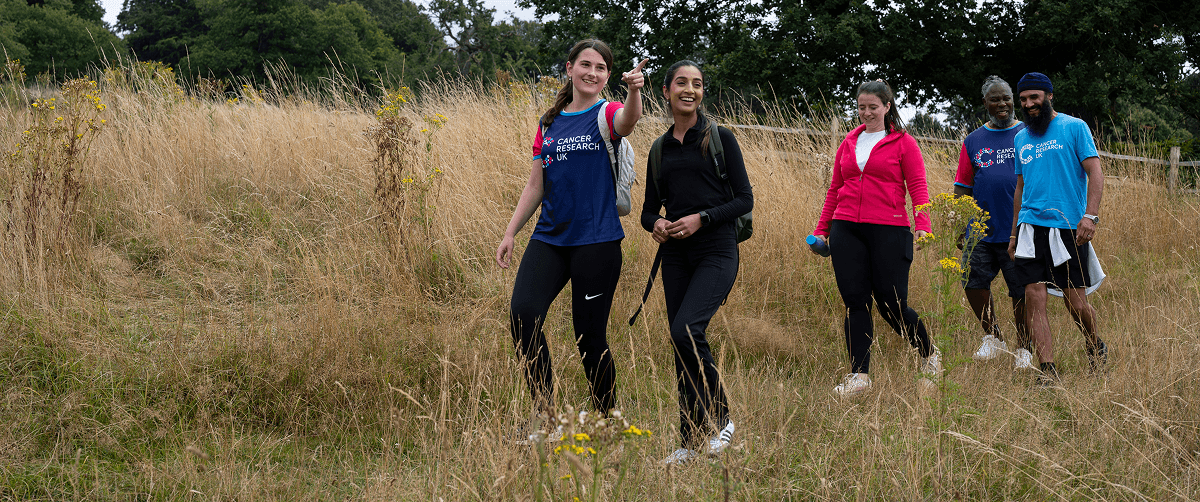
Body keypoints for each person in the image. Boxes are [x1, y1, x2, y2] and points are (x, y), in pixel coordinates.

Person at [495, 39, 648, 438]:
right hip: (550, 238)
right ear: (570, 69)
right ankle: (547, 419)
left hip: (596, 242)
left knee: (588, 335)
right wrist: (511, 232)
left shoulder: (608, 112)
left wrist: (634, 90)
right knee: (522, 316)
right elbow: (535, 185)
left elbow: (629, 122)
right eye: (585, 65)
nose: (592, 73)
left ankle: (606, 419)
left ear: (607, 76)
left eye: (600, 68)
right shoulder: (549, 122)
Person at [640, 61, 753, 464]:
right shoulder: (659, 148)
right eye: (682, 83)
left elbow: (744, 200)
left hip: (717, 250)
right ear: (667, 90)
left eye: (698, 84)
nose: (690, 90)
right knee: (679, 342)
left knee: (686, 328)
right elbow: (647, 211)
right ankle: (689, 440)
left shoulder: (720, 137)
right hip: (675, 255)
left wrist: (701, 219)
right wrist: (657, 224)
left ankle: (722, 419)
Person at [811, 80, 939, 397]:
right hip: (846, 228)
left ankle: (930, 355)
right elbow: (835, 190)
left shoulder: (903, 143)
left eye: (873, 107)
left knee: (891, 303)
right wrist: (821, 229)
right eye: (861, 108)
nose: (866, 113)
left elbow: (918, 186)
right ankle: (859, 377)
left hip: (889, 228)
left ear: (886, 107)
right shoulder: (849, 142)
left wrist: (923, 222)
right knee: (855, 302)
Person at [1005, 72, 1106, 385]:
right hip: (1029, 228)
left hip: (1067, 228)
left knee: (1075, 303)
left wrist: (1090, 216)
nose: (1029, 104)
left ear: (1049, 96)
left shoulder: (1074, 127)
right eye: (1023, 100)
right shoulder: (1020, 137)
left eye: (1034, 97)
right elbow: (1019, 189)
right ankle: (1047, 369)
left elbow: (1095, 171)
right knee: (1034, 296)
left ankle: (1095, 343)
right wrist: (1012, 233)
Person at [952, 76, 1033, 369]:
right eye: (995, 99)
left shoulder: (1028, 133)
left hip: (1020, 227)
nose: (1002, 104)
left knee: (1021, 290)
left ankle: (1025, 347)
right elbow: (962, 185)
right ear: (985, 103)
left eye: (1006, 98)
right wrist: (961, 222)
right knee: (972, 283)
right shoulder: (973, 141)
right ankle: (994, 338)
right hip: (981, 229)